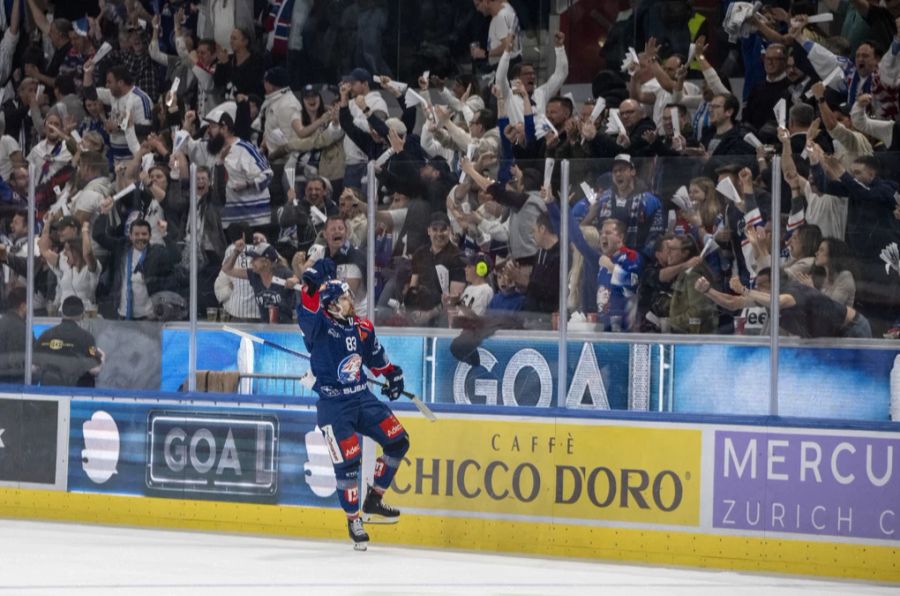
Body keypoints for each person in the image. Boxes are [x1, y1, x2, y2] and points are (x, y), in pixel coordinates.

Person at [297, 270, 409, 550]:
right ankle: (353, 520)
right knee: (349, 462)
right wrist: (309, 292)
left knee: (398, 441)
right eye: (346, 298)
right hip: (334, 406)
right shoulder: (319, 326)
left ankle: (374, 498)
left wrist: (392, 375)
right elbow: (308, 312)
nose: (351, 300)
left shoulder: (363, 327)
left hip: (362, 398)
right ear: (333, 305)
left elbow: (375, 358)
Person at [34, 296, 104, 387]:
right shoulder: (87, 338)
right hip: (76, 395)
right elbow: (95, 369)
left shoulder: (45, 335)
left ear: (62, 313)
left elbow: (33, 367)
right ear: (82, 314)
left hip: (50, 393)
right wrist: (102, 358)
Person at [0, 287, 30, 384]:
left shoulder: (3, 321)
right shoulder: (20, 328)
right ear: (23, 306)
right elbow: (16, 362)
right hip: (11, 383)